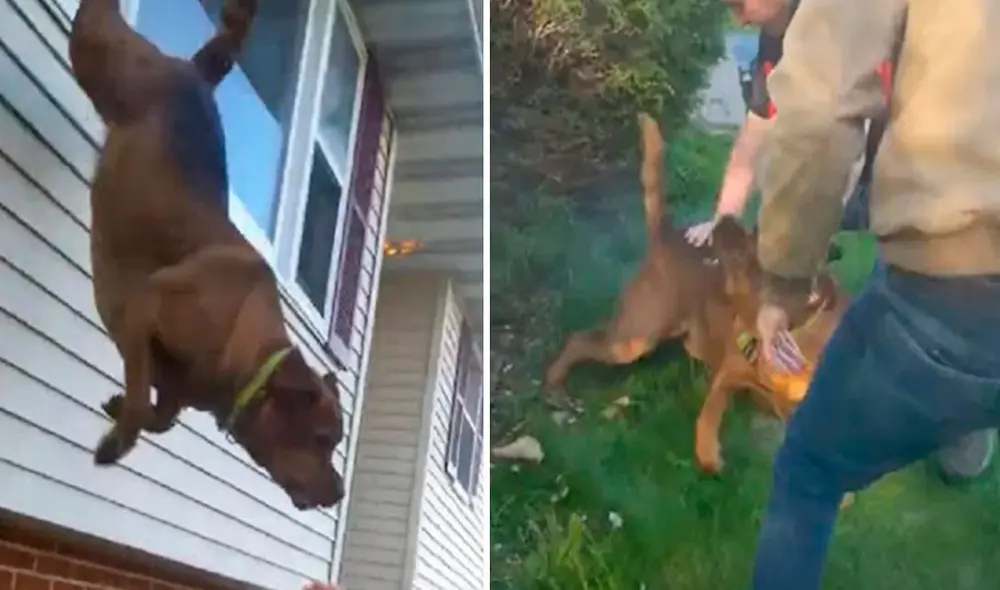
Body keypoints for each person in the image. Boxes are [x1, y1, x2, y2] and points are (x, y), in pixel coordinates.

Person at [744, 0, 1000, 587]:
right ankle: (965, 426)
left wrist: (784, 282)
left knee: (807, 472)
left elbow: (817, 110)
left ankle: (958, 406)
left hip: (947, 287)